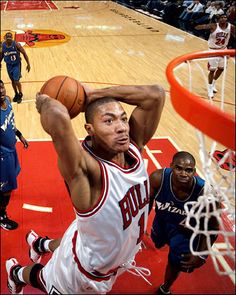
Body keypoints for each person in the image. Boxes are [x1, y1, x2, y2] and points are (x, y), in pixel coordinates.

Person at [6, 82, 165, 294]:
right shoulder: (88, 171)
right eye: (108, 121)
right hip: (81, 274)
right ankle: (16, 273)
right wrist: (44, 101)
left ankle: (39, 244)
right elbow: (57, 116)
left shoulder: (133, 146)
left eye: (123, 118)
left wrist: (95, 94)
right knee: (43, 278)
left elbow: (155, 95)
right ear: (90, 129)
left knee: (79, 235)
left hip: (96, 239)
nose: (121, 127)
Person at [148, 151, 219, 295]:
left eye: (188, 170)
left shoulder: (206, 194)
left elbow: (212, 227)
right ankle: (164, 241)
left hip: (185, 232)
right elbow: (147, 202)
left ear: (194, 171)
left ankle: (165, 289)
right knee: (157, 242)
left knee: (176, 263)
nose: (184, 174)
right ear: (171, 166)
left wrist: (201, 254)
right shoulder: (158, 178)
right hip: (162, 221)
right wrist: (140, 224)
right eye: (179, 168)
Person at [0, 80, 29, 230]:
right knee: (6, 188)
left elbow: (11, 123)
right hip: (3, 156)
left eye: (1, 86)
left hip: (11, 150)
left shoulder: (8, 101)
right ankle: (2, 216)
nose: (1, 91)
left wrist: (20, 135)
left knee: (7, 184)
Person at [195, 14, 235, 99]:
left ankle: (213, 83)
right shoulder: (213, 26)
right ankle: (209, 88)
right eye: (222, 17)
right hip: (213, 50)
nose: (224, 19)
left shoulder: (230, 27)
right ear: (218, 19)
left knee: (221, 68)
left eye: (225, 17)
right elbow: (198, 27)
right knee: (212, 70)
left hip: (223, 49)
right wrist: (201, 26)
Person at [0, 31, 31, 103]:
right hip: (8, 65)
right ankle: (16, 93)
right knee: (12, 81)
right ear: (5, 38)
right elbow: (1, 55)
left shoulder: (16, 45)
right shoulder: (3, 46)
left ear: (12, 38)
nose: (9, 39)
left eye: (10, 38)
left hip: (16, 64)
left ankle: (20, 94)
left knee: (16, 80)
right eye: (7, 38)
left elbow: (24, 53)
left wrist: (28, 64)